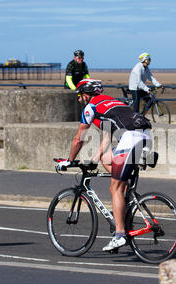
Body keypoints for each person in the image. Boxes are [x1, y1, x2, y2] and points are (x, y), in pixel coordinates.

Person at [55, 79, 152, 251]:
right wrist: (94, 159)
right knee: (106, 158)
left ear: (85, 95)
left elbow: (79, 138)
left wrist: (69, 161)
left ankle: (120, 234)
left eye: (79, 96)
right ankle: (125, 194)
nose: (79, 100)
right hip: (145, 136)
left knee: (114, 188)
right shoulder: (111, 102)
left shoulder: (91, 107)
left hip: (130, 139)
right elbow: (107, 139)